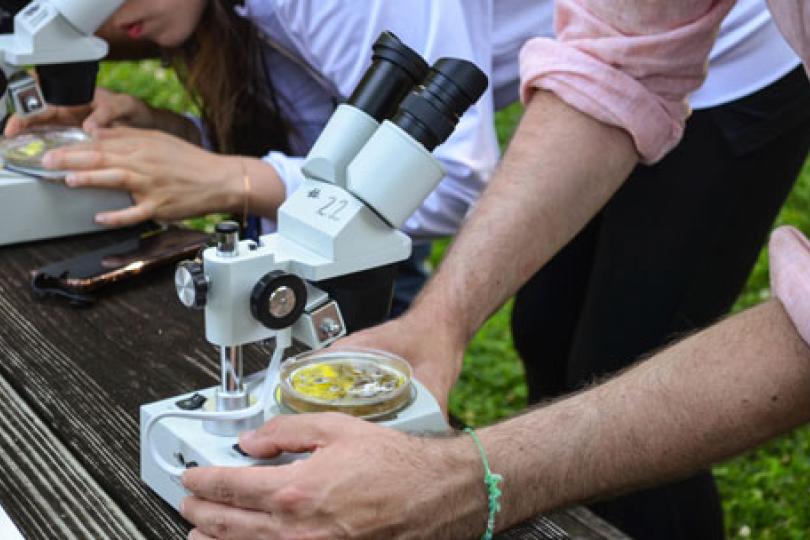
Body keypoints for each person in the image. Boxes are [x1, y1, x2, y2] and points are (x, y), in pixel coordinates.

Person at [175, 0, 810, 538]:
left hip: (741, 77)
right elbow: (615, 62)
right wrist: (441, 322)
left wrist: (469, 480)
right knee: (546, 330)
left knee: (622, 347)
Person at [11, 0, 504, 316]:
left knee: (557, 345)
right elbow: (323, 136)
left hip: (578, 126)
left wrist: (233, 179)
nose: (106, 24)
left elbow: (456, 180)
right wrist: (174, 133)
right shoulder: (224, 17)